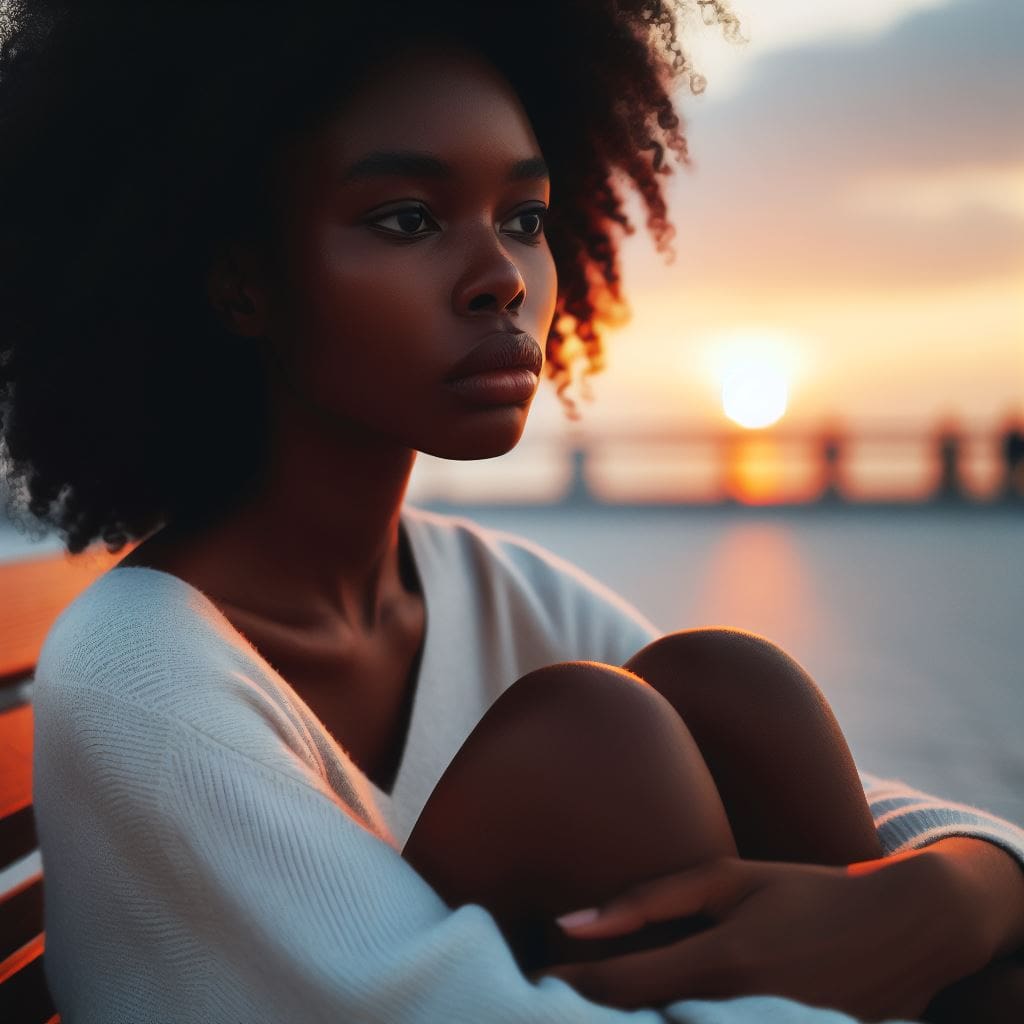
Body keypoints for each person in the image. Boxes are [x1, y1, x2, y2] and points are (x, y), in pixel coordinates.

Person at [1, 3, 1022, 1021]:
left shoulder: (482, 587)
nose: (501, 279)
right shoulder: (143, 680)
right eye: (408, 218)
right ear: (241, 283)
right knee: (594, 742)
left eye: (525, 220)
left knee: (731, 684)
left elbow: (891, 818)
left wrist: (963, 886)